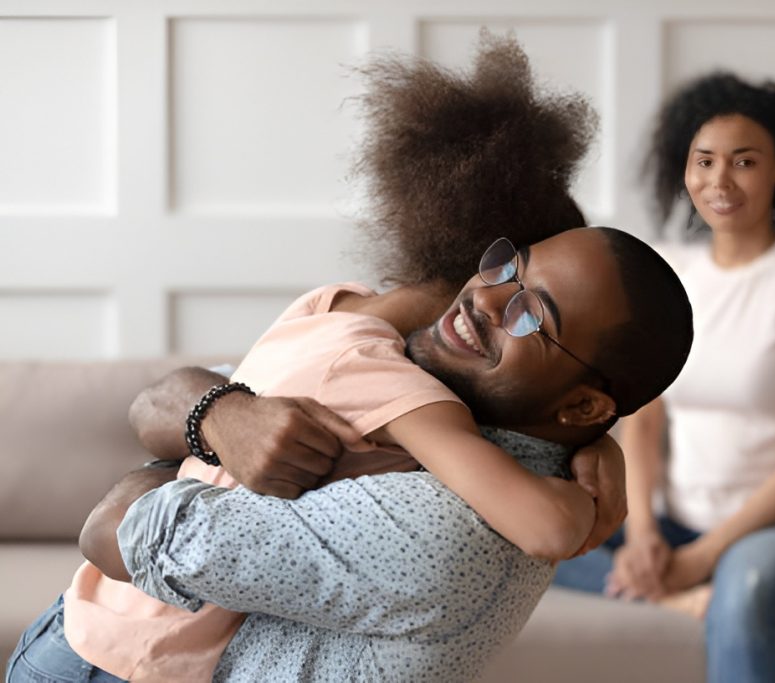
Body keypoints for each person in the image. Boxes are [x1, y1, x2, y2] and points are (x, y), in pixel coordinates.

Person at [7, 36, 694, 683]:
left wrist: (195, 440)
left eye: (531, 314)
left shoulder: (430, 493)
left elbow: (127, 525)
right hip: (93, 645)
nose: (485, 297)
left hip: (110, 651)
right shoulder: (383, 360)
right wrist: (219, 415)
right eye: (504, 264)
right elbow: (161, 421)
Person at [553, 72, 775, 683]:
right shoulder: (670, 271)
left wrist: (705, 556)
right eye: (704, 162)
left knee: (742, 598)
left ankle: (687, 590)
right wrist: (642, 533)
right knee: (536, 534)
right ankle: (671, 597)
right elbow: (644, 422)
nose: (720, 182)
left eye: (744, 162)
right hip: (673, 521)